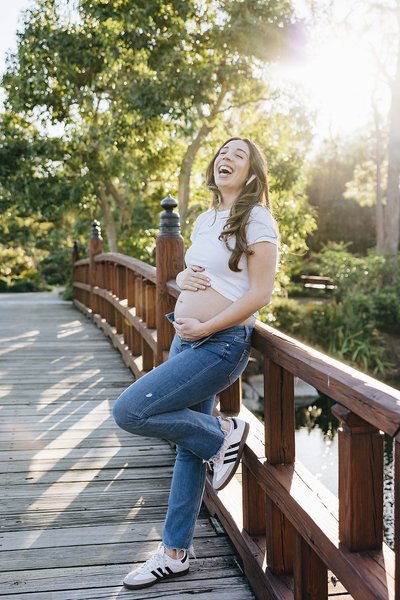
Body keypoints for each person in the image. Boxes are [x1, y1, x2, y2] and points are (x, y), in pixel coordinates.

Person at [112, 136, 279, 590]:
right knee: (187, 444)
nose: (226, 158)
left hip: (220, 344)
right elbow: (202, 273)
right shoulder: (206, 219)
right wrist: (183, 277)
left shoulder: (257, 219)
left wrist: (206, 327)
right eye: (223, 153)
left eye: (238, 155)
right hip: (187, 340)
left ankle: (223, 433)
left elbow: (259, 294)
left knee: (130, 410)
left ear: (252, 174)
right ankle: (175, 552)